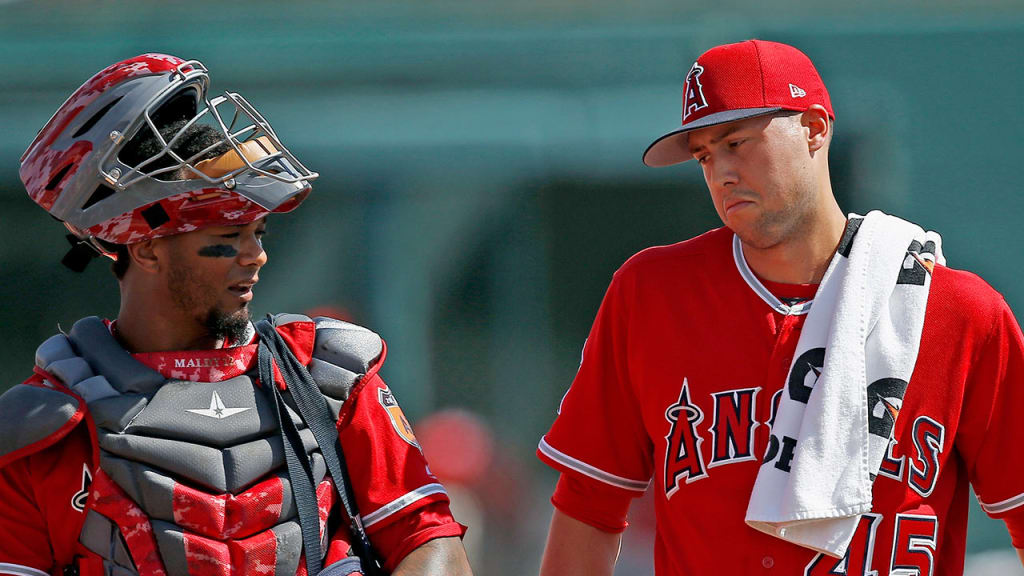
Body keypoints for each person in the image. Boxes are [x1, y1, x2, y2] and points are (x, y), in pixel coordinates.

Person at [536, 39, 1024, 575]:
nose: (720, 172)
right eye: (704, 154)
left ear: (815, 129)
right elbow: (588, 505)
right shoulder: (651, 294)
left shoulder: (954, 310)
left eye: (736, 142)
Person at [0, 54, 473, 576]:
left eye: (258, 234)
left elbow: (428, 541)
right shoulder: (44, 425)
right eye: (227, 238)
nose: (256, 256)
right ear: (148, 249)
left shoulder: (328, 378)